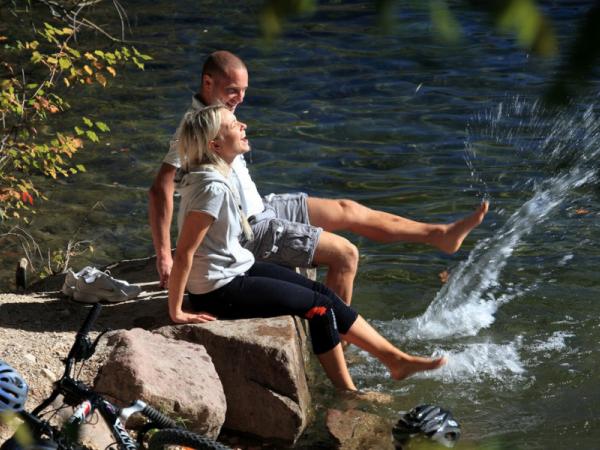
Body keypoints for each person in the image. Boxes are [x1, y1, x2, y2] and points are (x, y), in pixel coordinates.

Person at [149, 50, 489, 305]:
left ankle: (440, 235)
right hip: (252, 230)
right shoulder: (195, 125)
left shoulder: (218, 113)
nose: (240, 99)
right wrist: (165, 254)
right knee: (346, 255)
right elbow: (161, 187)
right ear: (207, 82)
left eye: (244, 91)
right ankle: (339, 342)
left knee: (348, 209)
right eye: (233, 90)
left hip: (263, 207)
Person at [167, 104, 447, 391]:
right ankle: (349, 393)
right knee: (320, 309)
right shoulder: (211, 188)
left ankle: (395, 360)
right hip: (219, 289)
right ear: (215, 144)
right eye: (234, 125)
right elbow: (186, 250)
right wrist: (176, 310)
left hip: (237, 268)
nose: (244, 126)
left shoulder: (215, 175)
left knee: (323, 293)